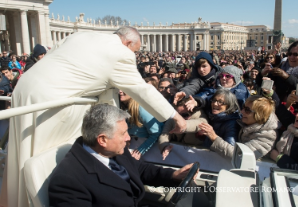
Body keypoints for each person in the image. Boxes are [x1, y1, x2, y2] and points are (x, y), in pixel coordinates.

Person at [1, 26, 186, 207]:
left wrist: (172, 176)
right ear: (127, 42)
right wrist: (175, 116)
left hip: (25, 89)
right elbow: (142, 89)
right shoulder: (119, 52)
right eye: (135, 51)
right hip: (56, 100)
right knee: (45, 159)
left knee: (23, 151)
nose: (134, 56)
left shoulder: (81, 36)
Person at [49, 104, 192, 207]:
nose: (129, 138)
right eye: (123, 133)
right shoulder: (68, 182)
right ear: (103, 140)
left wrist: (173, 175)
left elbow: (139, 169)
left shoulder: (114, 150)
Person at [199, 95, 281, 159]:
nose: (242, 112)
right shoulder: (245, 122)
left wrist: (214, 137)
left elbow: (239, 155)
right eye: (243, 107)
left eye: (247, 110)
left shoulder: (267, 136)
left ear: (259, 115)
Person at [119, 90, 163, 160]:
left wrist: (140, 151)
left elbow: (156, 132)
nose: (120, 91)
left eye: (124, 89)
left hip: (148, 152)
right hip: (132, 148)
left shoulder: (141, 108)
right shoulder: (120, 106)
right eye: (118, 89)